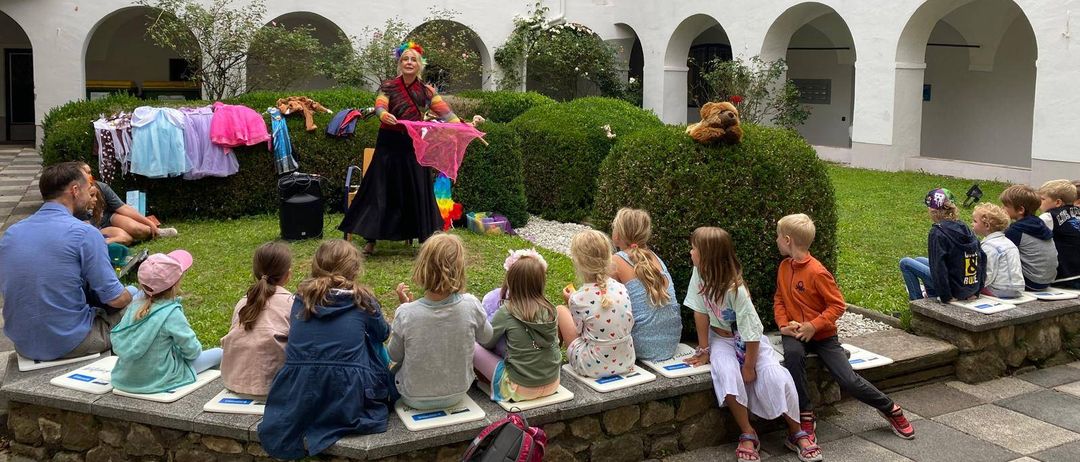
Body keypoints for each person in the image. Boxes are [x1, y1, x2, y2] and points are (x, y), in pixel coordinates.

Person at [682, 226, 820, 462]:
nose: (690, 252)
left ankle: (796, 431)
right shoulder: (699, 273)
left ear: (708, 256)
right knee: (725, 373)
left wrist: (749, 365)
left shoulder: (737, 290)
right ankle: (748, 432)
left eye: (694, 248)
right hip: (722, 340)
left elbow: (752, 333)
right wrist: (705, 350)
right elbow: (700, 312)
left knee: (775, 376)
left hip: (751, 343)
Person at [773, 214, 914, 442]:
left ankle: (890, 408)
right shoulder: (784, 267)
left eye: (778, 236)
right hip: (794, 332)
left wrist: (813, 325)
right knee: (792, 357)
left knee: (847, 379)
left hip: (824, 336)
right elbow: (779, 298)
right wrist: (782, 325)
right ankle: (805, 413)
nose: (776, 240)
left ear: (787, 240)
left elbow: (837, 305)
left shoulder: (817, 272)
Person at [258, 240, 397, 458]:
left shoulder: (300, 299)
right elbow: (382, 334)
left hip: (300, 390)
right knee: (372, 343)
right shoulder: (362, 299)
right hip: (347, 393)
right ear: (354, 269)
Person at [338, 41, 462, 256]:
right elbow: (380, 105)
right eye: (405, 59)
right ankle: (371, 239)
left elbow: (446, 114)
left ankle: (424, 239)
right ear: (400, 63)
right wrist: (382, 114)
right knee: (380, 190)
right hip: (388, 144)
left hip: (414, 145)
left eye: (413, 59)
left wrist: (463, 126)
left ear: (420, 65)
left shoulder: (427, 91)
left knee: (417, 190)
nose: (409, 62)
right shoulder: (388, 86)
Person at [0, 161, 133, 361]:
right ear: (75, 190)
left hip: (23, 343)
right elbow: (115, 298)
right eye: (89, 190)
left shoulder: (11, 233)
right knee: (140, 300)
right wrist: (133, 295)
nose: (91, 197)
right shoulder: (85, 233)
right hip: (71, 342)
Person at [389, 233, 492, 410]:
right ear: (460, 269)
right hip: (458, 393)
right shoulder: (471, 305)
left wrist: (406, 309)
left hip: (412, 396)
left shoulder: (406, 313)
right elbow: (487, 337)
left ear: (422, 268)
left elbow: (393, 355)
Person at [110, 250, 223, 393]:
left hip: (125, 378)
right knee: (220, 352)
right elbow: (193, 352)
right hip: (158, 378)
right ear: (175, 284)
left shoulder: (134, 306)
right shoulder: (172, 313)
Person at [473, 249, 561, 403]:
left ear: (511, 281)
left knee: (472, 346)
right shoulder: (550, 309)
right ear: (541, 281)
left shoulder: (506, 310)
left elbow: (486, 342)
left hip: (520, 389)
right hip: (553, 383)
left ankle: (489, 385)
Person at [556, 230, 636, 378]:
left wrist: (570, 301)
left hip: (592, 366)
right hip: (626, 360)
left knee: (560, 310)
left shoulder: (578, 298)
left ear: (578, 262)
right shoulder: (622, 288)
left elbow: (579, 331)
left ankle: (551, 360)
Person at [221, 242, 294, 396]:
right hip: (275, 388)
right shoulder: (291, 302)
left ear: (255, 273)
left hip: (234, 383)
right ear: (288, 275)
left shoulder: (243, 302)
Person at [610, 208, 682, 361]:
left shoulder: (616, 261)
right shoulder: (655, 257)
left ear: (617, 235)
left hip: (639, 345)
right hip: (671, 342)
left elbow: (609, 304)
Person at [898, 188, 985, 302]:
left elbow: (939, 266)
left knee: (905, 263)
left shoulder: (938, 232)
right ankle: (932, 296)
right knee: (919, 260)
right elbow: (982, 257)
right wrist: (977, 289)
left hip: (954, 289)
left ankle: (917, 304)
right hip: (969, 286)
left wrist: (946, 296)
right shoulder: (964, 227)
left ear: (933, 211)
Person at [77, 162, 177, 245]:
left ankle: (154, 232)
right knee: (125, 238)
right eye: (86, 173)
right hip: (97, 228)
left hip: (109, 218)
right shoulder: (74, 196)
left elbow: (123, 207)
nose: (90, 176)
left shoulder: (101, 187)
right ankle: (115, 241)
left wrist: (149, 222)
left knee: (137, 229)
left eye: (90, 172)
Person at [1000, 184, 1058, 290]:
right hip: (1047, 280)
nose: (1002, 208)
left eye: (1005, 206)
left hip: (1031, 281)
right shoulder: (1040, 224)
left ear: (1020, 210)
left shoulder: (1016, 230)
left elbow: (1004, 254)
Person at [971, 203, 1024, 298]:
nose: (972, 224)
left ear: (987, 225)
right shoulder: (1009, 243)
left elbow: (987, 274)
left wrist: (975, 288)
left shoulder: (989, 246)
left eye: (975, 221)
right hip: (1018, 288)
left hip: (1000, 289)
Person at [1037, 180, 1080, 289]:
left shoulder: (1049, 217)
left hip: (1067, 275)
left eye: (1042, 199)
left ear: (1058, 203)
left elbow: (1030, 234)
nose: (1039, 202)